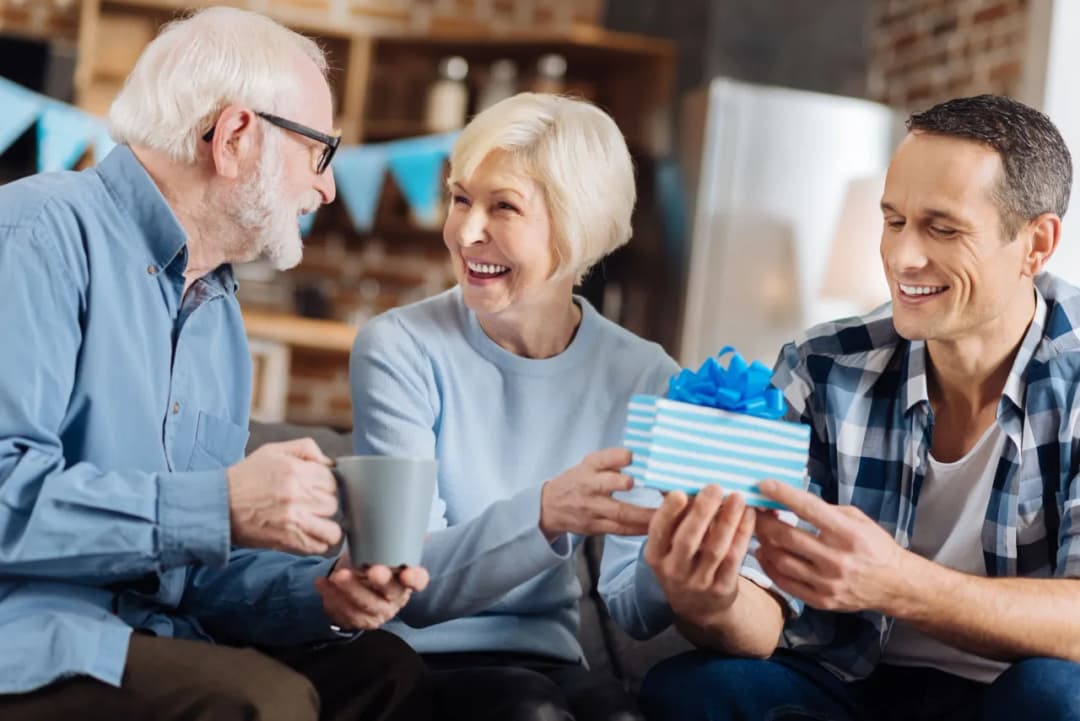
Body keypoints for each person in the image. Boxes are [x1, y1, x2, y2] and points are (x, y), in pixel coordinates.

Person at [0, 8, 431, 721]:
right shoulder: (35, 235)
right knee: (266, 703)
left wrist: (322, 593)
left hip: (146, 634)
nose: (325, 188)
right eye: (320, 151)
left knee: (388, 671)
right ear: (234, 136)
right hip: (31, 638)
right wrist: (222, 504)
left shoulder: (217, 311)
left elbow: (190, 574)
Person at [606, 93, 1080, 721]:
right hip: (852, 683)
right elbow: (761, 620)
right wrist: (709, 598)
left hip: (1014, 692)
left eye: (943, 228)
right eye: (893, 220)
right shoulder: (822, 366)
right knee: (696, 687)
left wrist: (901, 583)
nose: (903, 257)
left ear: (1036, 244)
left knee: (1056, 698)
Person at [349, 92, 679, 721]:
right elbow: (402, 583)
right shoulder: (398, 347)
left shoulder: (646, 376)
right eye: (460, 198)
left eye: (503, 207)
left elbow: (633, 609)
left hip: (550, 660)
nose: (466, 232)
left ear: (576, 226)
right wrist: (546, 513)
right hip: (412, 656)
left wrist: (686, 556)